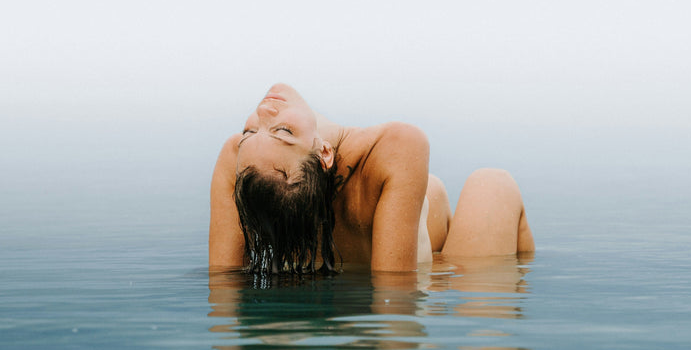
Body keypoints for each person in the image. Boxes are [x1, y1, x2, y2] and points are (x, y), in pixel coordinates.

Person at [208, 83, 534, 274]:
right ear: (323, 153)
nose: (263, 115)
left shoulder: (240, 159)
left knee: (430, 191)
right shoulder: (395, 145)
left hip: (384, 258)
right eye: (283, 131)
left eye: (249, 131)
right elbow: (396, 301)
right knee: (490, 184)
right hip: (422, 282)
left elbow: (223, 289)